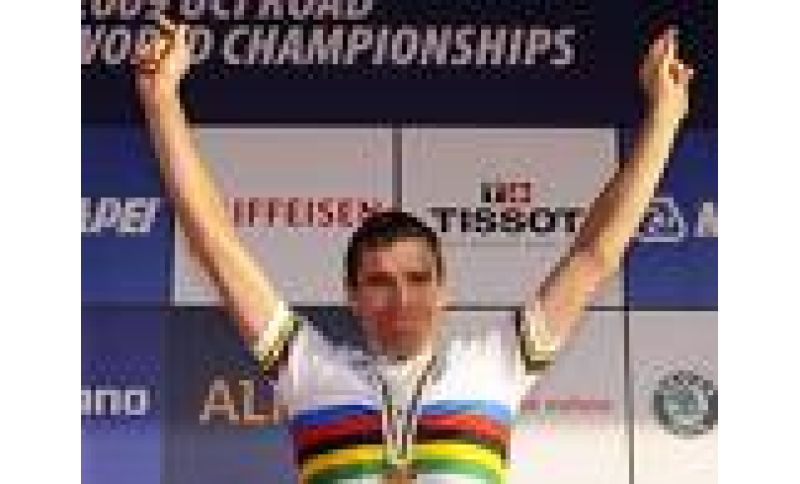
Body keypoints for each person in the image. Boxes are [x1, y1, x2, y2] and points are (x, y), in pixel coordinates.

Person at [135, 17, 694, 484]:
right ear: (352, 297)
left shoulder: (497, 365)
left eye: (418, 279)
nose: (401, 298)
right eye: (379, 282)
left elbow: (594, 255)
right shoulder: (309, 370)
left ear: (444, 290)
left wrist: (665, 116)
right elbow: (217, 248)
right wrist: (162, 101)